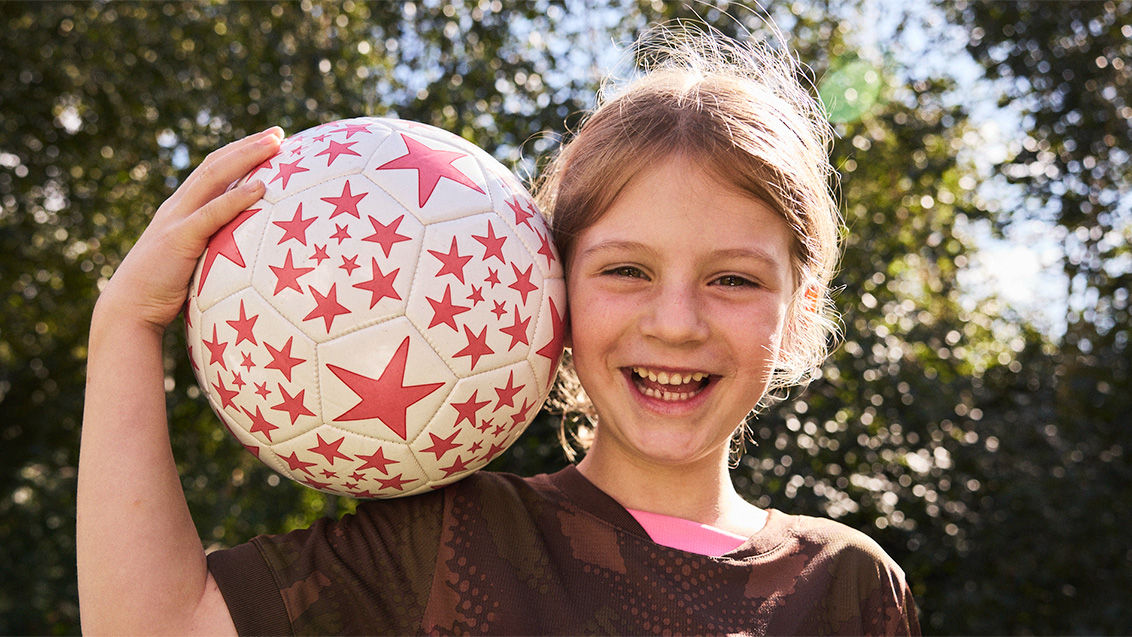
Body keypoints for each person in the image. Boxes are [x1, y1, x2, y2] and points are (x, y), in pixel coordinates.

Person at [78, 24, 919, 635]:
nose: (675, 323)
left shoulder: (849, 586)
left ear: (801, 303)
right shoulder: (447, 540)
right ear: (549, 282)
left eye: (732, 279)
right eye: (626, 270)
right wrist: (124, 321)